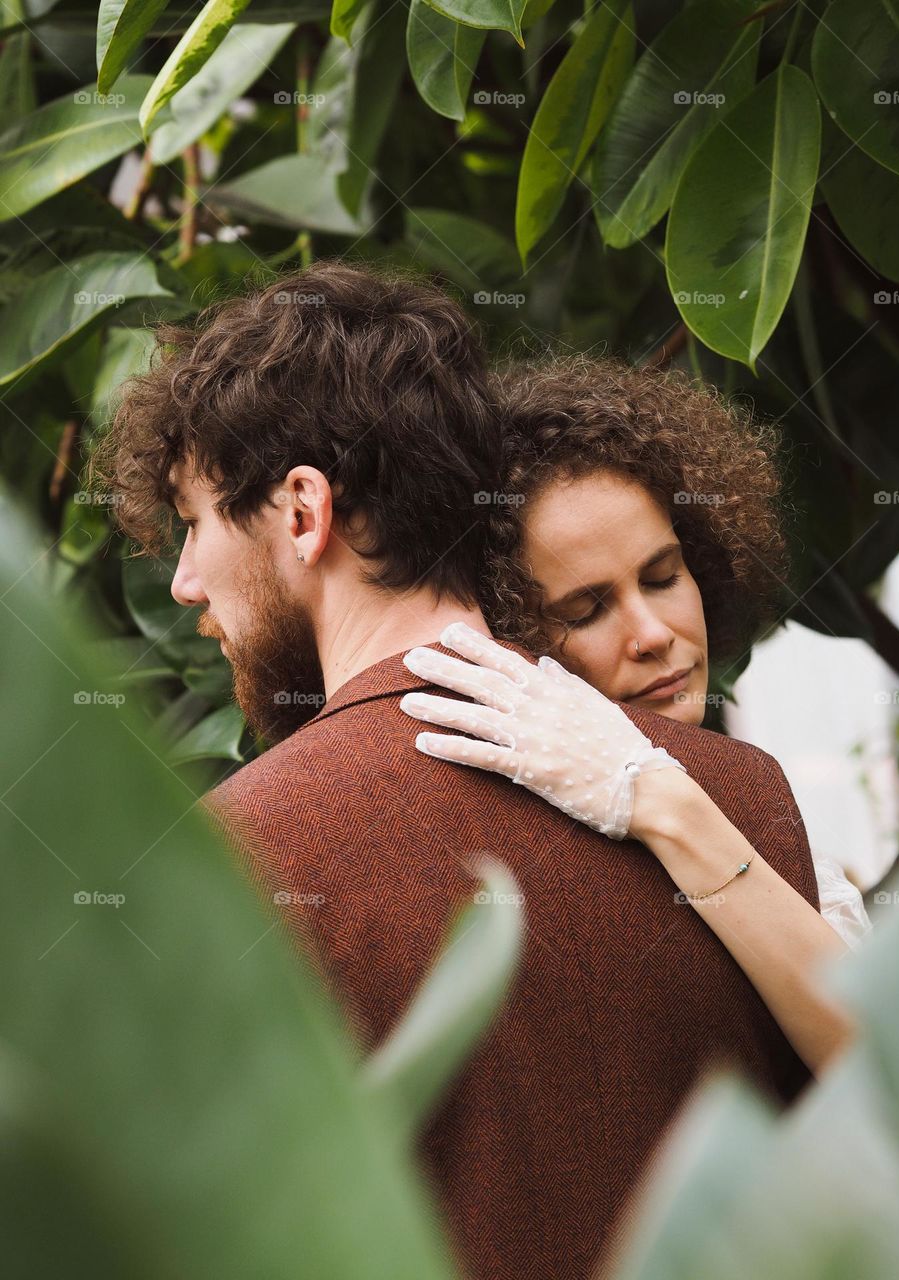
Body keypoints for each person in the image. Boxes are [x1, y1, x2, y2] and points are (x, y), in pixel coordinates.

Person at [90, 264, 854, 1280]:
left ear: (305, 512)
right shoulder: (748, 797)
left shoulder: (232, 859)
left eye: (195, 523)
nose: (185, 578)